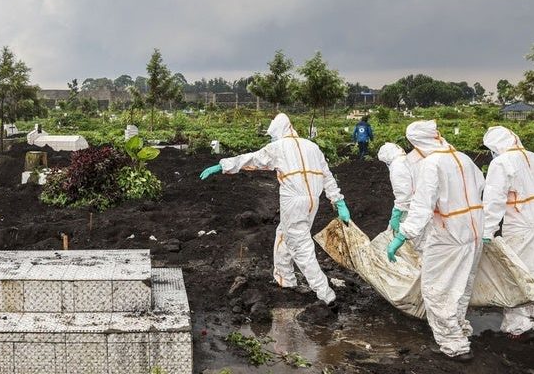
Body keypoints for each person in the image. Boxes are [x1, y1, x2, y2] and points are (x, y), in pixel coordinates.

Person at [199, 113, 351, 311]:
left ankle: (326, 294)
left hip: (294, 200)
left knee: (300, 247)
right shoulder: (312, 147)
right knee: (283, 234)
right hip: (313, 200)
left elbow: (252, 159)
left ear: (278, 131)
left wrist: (222, 165)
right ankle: (284, 278)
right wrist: (339, 202)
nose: (272, 139)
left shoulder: (279, 147)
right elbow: (327, 176)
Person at [387, 120, 484, 361]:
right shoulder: (462, 157)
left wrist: (402, 235)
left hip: (448, 234)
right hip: (473, 231)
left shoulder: (432, 163)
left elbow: (421, 207)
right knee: (461, 287)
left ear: (417, 142)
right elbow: (481, 186)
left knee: (436, 290)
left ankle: (454, 346)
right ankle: (460, 330)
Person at [481, 126, 534, 341]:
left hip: (519, 222)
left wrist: (487, 230)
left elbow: (494, 200)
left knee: (516, 272)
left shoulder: (501, 163)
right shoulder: (531, 156)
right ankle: (533, 315)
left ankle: (518, 325)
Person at [377, 143, 413, 234]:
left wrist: (396, 214)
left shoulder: (397, 166)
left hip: (413, 207)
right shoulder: (407, 160)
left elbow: (404, 195)